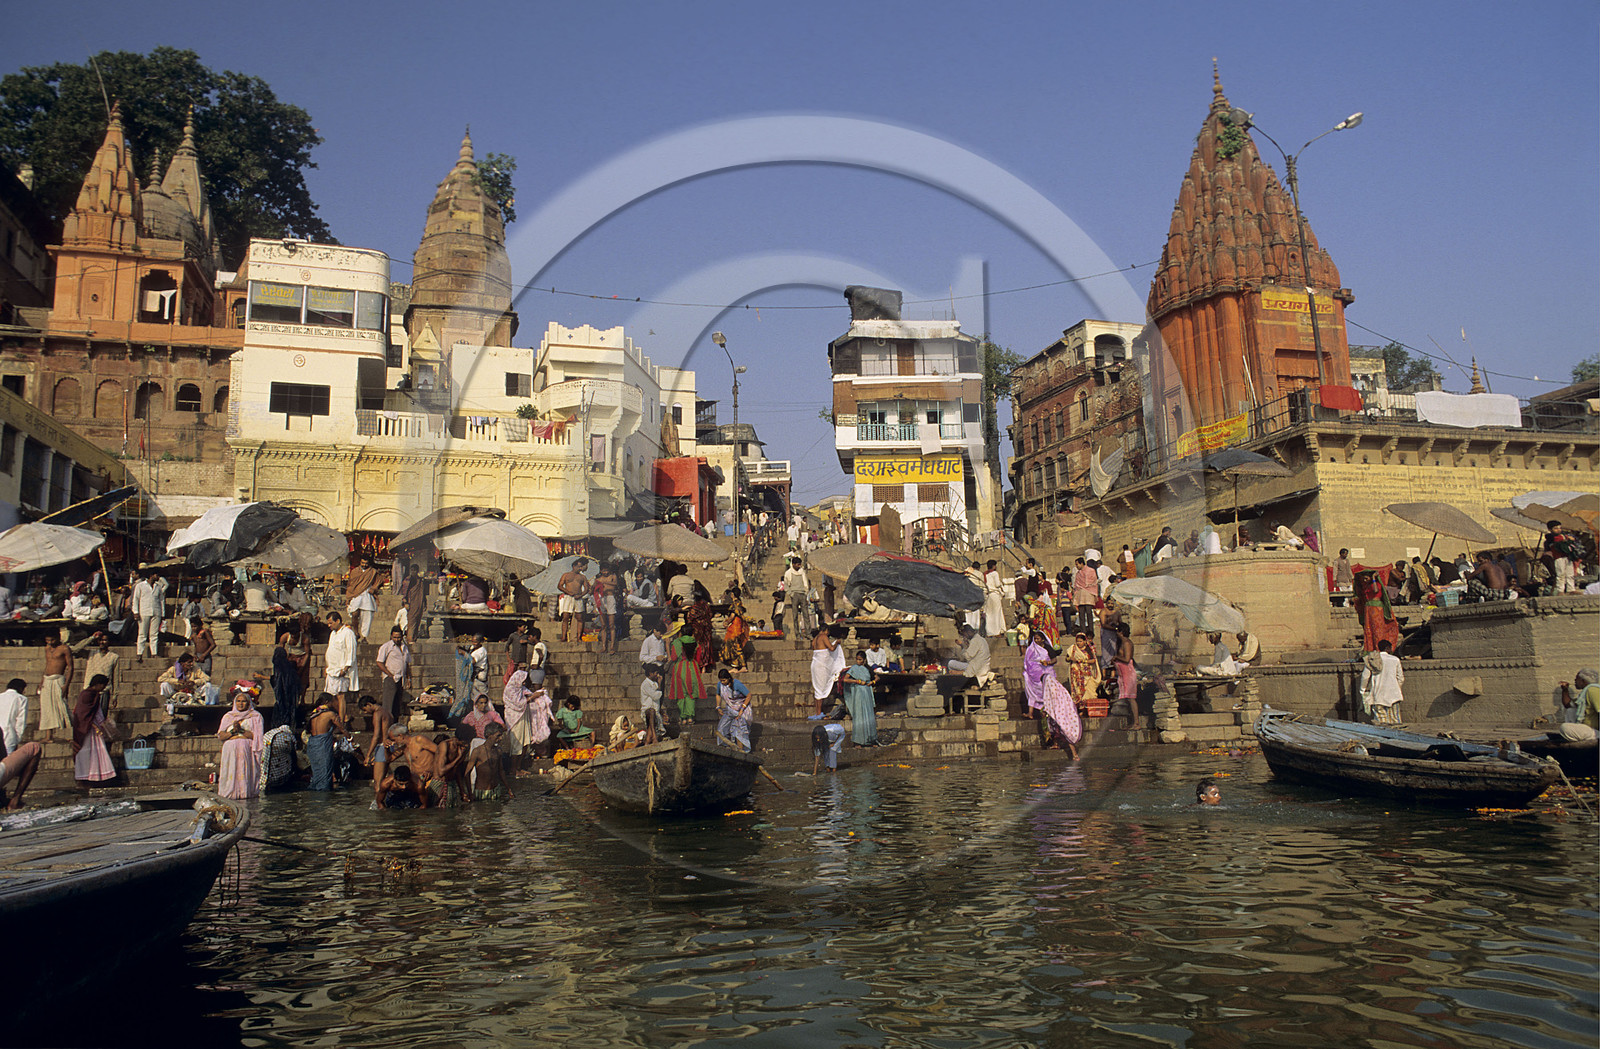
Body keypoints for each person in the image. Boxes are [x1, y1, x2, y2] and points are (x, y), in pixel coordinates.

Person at [216, 685, 265, 799]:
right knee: (230, 773)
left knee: (244, 771)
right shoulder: (228, 717)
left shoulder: (255, 717)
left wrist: (241, 730)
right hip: (230, 749)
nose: (241, 704)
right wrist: (233, 731)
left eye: (243, 701)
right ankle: (229, 795)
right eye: (238, 701)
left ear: (248, 703)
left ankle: (244, 793)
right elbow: (221, 735)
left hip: (245, 748)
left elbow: (256, 736)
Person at [71, 674, 116, 785]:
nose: (103, 688)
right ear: (98, 684)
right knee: (85, 752)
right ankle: (84, 777)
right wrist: (95, 726)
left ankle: (96, 776)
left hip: (92, 727)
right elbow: (82, 714)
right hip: (86, 729)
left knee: (96, 753)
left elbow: (94, 712)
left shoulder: (93, 695)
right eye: (103, 686)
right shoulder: (87, 695)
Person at [38, 633, 74, 744]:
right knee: (47, 708)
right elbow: (47, 664)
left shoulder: (64, 649)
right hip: (47, 680)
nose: (50, 642)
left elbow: (70, 667)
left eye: (52, 640)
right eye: (47, 640)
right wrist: (42, 681)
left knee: (62, 706)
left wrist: (66, 685)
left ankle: (73, 734)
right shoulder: (47, 648)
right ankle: (49, 736)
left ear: (58, 638)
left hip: (59, 680)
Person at [1360, 639, 1405, 725]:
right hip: (1394, 696)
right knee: (1395, 722)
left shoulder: (1372, 660)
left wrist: (1363, 690)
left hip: (1378, 696)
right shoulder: (1395, 660)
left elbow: (1365, 677)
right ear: (1388, 648)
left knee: (1381, 723)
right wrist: (1396, 688)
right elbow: (1401, 678)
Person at [324, 611, 359, 722]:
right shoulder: (333, 634)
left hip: (341, 670)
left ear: (338, 621)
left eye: (331, 623)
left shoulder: (348, 633)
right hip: (331, 669)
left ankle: (342, 720)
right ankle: (344, 716)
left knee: (340, 696)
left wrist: (346, 668)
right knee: (331, 696)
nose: (329, 626)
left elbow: (351, 651)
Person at [306, 695, 346, 791]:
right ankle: (324, 796)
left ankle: (315, 792)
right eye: (333, 701)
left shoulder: (314, 714)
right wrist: (350, 739)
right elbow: (342, 729)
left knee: (316, 772)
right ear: (328, 702)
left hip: (312, 744)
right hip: (322, 745)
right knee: (325, 771)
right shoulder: (330, 714)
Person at [1353, 569, 1399, 653]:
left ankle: (1379, 648)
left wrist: (1374, 578)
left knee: (1377, 629)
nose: (1364, 580)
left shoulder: (1376, 584)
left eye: (1366, 578)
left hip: (1376, 608)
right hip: (1369, 609)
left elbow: (1375, 590)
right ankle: (1371, 648)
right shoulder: (1366, 587)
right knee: (1369, 629)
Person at [270, 629, 305, 733]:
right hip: (291, 702)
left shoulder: (278, 667)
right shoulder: (291, 666)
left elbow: (275, 681)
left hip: (281, 702)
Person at [376, 626, 411, 727]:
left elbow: (407, 664)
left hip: (401, 678)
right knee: (388, 705)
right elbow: (379, 662)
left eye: (399, 637)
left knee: (397, 704)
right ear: (391, 636)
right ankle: (385, 727)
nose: (397, 639)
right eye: (395, 637)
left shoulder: (405, 647)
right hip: (390, 678)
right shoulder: (386, 647)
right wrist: (389, 674)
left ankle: (394, 726)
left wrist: (408, 678)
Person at [809, 626, 846, 718]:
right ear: (826, 630)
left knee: (817, 689)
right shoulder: (823, 636)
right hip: (821, 666)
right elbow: (831, 648)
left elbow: (816, 650)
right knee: (820, 690)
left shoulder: (815, 639)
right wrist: (837, 643)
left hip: (815, 664)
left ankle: (818, 712)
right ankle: (818, 713)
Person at [841, 651, 877, 747]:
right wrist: (856, 681)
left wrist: (872, 682)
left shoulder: (868, 668)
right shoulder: (854, 668)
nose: (858, 661)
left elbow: (877, 677)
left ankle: (871, 740)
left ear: (864, 660)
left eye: (860, 659)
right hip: (858, 693)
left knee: (869, 715)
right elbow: (845, 679)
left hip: (867, 693)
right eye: (857, 659)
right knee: (859, 716)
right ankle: (858, 741)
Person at [344, 554, 382, 640]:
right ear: (360, 562)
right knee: (354, 613)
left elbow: (379, 581)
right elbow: (350, 584)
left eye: (366, 563)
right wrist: (348, 597)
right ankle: (356, 632)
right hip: (356, 595)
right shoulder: (354, 571)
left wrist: (373, 588)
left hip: (367, 595)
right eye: (363, 563)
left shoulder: (372, 572)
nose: (364, 565)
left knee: (367, 617)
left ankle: (364, 637)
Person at [132, 571, 167, 662]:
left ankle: (154, 653)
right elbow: (135, 599)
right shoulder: (140, 586)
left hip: (156, 612)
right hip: (144, 611)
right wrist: (135, 612)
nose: (158, 576)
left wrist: (163, 614)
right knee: (142, 634)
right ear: (151, 575)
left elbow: (161, 601)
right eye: (156, 574)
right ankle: (139, 653)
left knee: (154, 634)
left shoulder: (158, 587)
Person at [715, 668, 754, 751]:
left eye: (724, 680)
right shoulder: (720, 685)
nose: (722, 682)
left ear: (728, 678)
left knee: (739, 731)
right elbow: (718, 694)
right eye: (721, 680)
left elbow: (749, 695)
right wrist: (718, 706)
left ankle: (741, 752)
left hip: (742, 709)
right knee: (722, 728)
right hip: (730, 710)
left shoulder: (737, 684)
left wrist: (741, 710)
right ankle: (726, 749)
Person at [1557, 669, 1599, 741]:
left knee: (1564, 727)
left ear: (1583, 681)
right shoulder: (1585, 693)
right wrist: (1565, 690)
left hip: (1595, 732)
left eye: (1577, 679)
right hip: (1589, 729)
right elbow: (1568, 705)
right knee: (1570, 710)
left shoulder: (1593, 690)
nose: (1575, 681)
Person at [1022, 630, 1054, 722]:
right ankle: (1030, 713)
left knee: (1045, 693)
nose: (1036, 641)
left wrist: (1047, 662)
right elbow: (1027, 661)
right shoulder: (1031, 648)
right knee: (1032, 693)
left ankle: (1045, 712)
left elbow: (1054, 659)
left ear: (1042, 639)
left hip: (1045, 674)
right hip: (1033, 676)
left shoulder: (1047, 648)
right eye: (1034, 639)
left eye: (1038, 639)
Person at [1545, 521, 1583, 594]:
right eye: (1556, 528)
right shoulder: (1550, 537)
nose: (1558, 530)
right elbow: (1556, 539)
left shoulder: (1563, 535)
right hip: (1559, 558)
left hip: (1567, 557)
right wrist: (1566, 537)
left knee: (1570, 574)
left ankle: (1571, 589)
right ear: (1550, 529)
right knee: (1561, 574)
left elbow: (1573, 539)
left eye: (1559, 528)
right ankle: (1560, 590)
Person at [558, 558, 590, 642]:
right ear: (573, 566)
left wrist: (581, 595)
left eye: (581, 567)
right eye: (578, 567)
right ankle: (563, 636)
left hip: (578, 598)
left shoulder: (582, 577)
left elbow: (587, 588)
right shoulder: (566, 575)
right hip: (568, 597)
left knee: (580, 617)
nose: (580, 568)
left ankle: (579, 637)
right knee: (565, 617)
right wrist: (568, 592)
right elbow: (560, 586)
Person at [1113, 622, 1138, 723]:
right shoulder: (1122, 643)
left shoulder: (1127, 643)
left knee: (1131, 698)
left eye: (1117, 631)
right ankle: (1132, 722)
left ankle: (1136, 723)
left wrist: (1116, 657)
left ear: (1121, 632)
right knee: (1128, 698)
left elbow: (1127, 659)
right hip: (1123, 674)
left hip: (1128, 673)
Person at [640, 664, 665, 744]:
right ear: (650, 673)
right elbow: (655, 696)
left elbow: (657, 699)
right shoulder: (645, 684)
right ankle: (654, 737)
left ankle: (648, 740)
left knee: (653, 713)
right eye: (656, 673)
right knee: (651, 711)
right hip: (647, 711)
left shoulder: (655, 684)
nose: (657, 675)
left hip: (655, 712)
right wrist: (660, 684)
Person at [980, 560, 1007, 637]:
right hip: (994, 594)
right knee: (996, 613)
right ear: (994, 566)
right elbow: (997, 584)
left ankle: (990, 632)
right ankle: (997, 632)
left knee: (989, 614)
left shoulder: (984, 574)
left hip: (988, 595)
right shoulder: (995, 573)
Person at [0, 678, 26, 755]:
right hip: (9, 734)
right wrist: (17, 739)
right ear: (20, 688)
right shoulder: (21, 698)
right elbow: (21, 721)